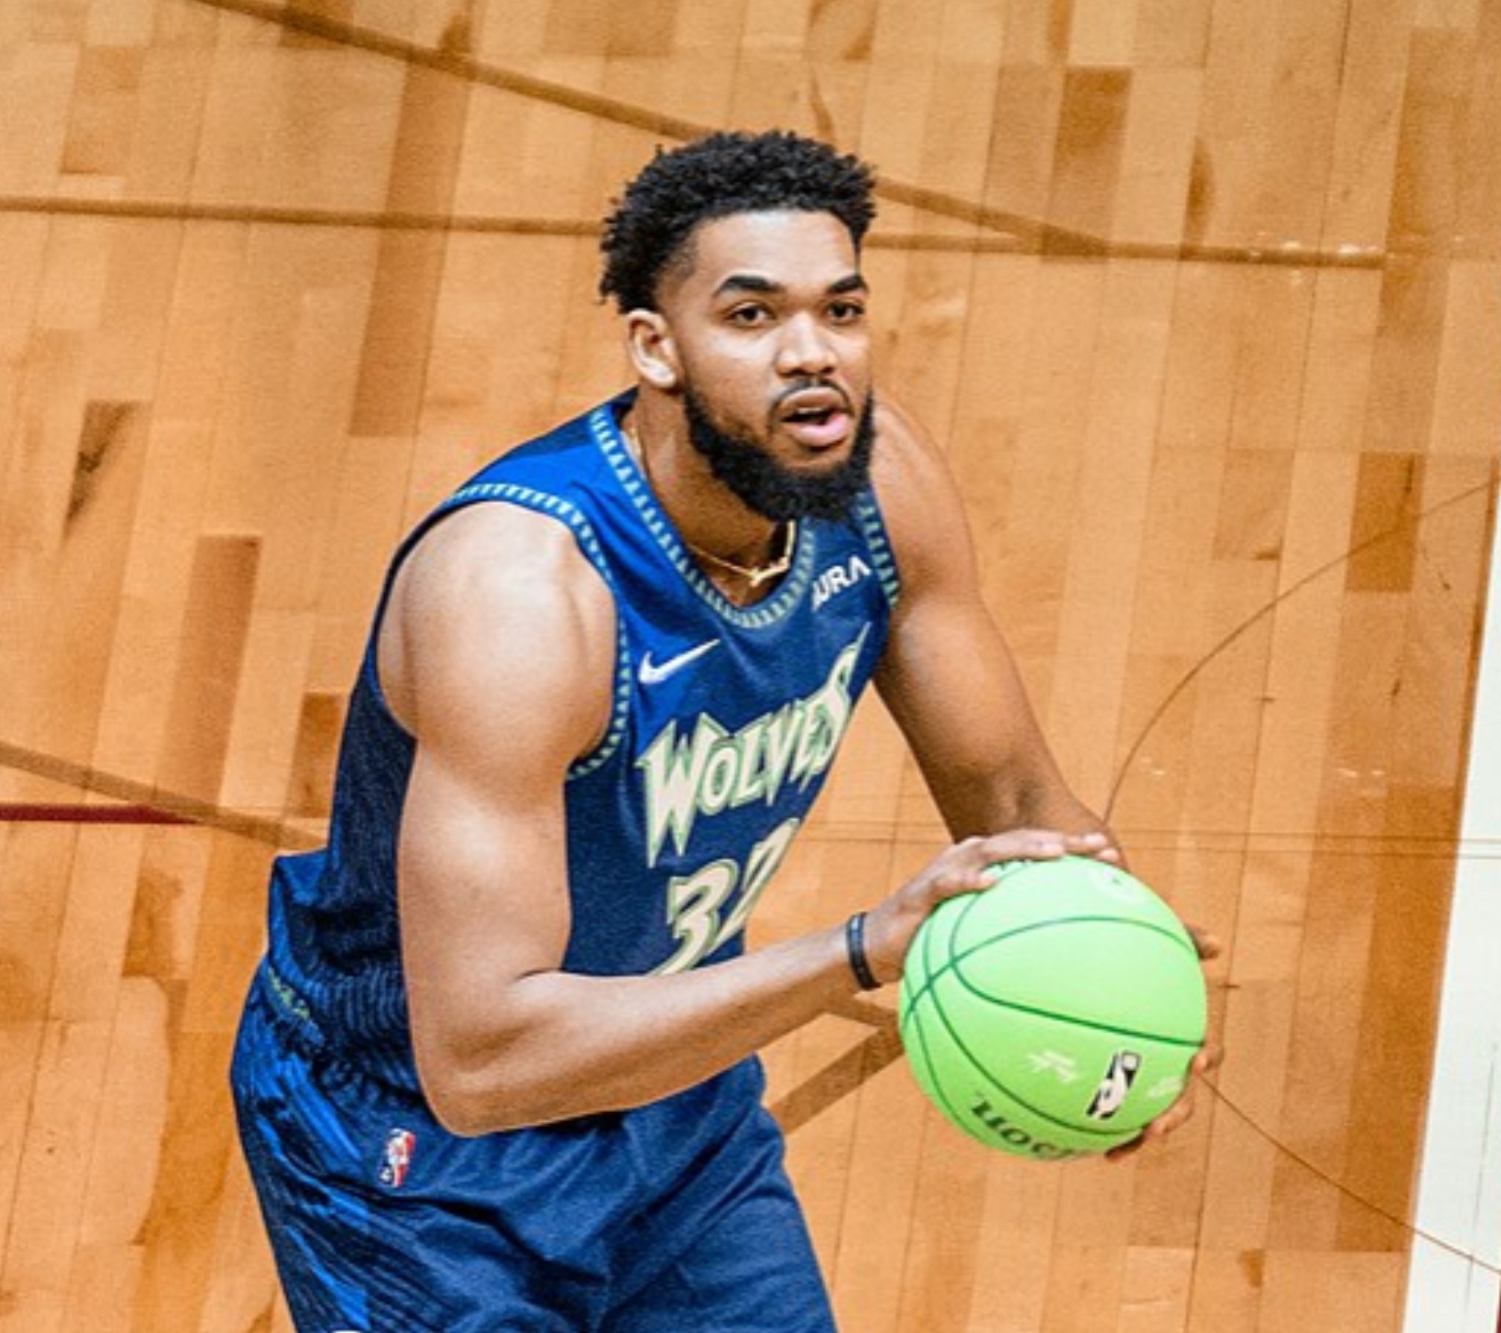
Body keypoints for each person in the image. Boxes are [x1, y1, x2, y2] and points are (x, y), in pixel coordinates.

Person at [231, 129, 1217, 1333]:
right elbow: (480, 1060)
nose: (812, 357)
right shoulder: (523, 595)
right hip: (419, 1159)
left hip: (673, 1100)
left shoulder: (879, 485)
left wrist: (1130, 985)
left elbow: (1011, 795)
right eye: (751, 318)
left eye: (839, 310)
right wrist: (857, 950)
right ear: (656, 346)